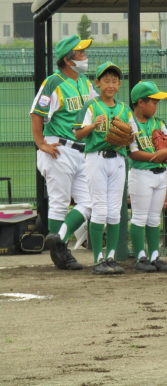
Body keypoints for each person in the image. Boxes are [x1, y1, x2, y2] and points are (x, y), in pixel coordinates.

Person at [30, 34, 98, 271]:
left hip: (81, 150)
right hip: (57, 148)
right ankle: (63, 253)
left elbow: (97, 109)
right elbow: (36, 113)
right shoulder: (53, 82)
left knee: (89, 203)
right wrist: (41, 144)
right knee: (59, 203)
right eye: (81, 53)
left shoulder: (85, 83)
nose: (86, 57)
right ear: (69, 60)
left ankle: (58, 238)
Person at [73, 62, 139, 274]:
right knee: (100, 209)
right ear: (98, 83)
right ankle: (98, 259)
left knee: (114, 213)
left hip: (118, 160)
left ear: (119, 84)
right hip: (96, 158)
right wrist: (93, 125)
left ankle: (110, 257)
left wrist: (129, 138)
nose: (110, 84)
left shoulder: (124, 109)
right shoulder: (91, 106)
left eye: (114, 81)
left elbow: (133, 140)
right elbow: (78, 134)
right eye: (106, 80)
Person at [128, 81, 167, 273]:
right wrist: (156, 156)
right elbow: (132, 152)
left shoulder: (158, 122)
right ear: (141, 102)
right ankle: (141, 257)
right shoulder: (131, 123)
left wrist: (165, 151)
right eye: (153, 101)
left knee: (153, 219)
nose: (156, 105)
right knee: (139, 218)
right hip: (141, 174)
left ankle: (154, 256)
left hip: (160, 174)